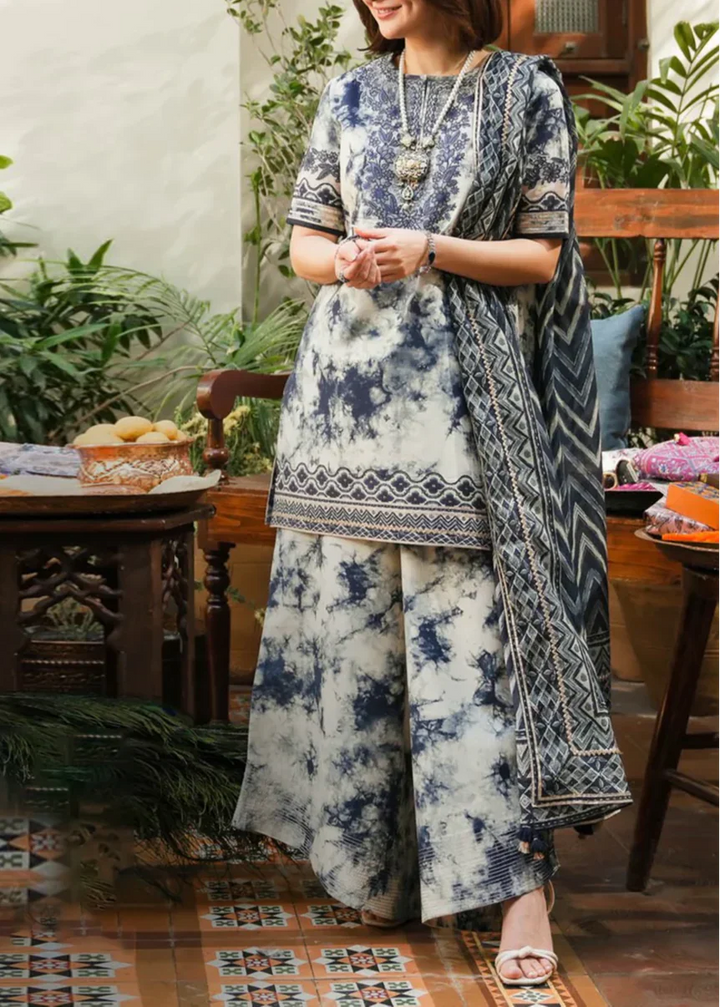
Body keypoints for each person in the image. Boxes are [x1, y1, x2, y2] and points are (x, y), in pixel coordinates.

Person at [234, 0, 632, 987]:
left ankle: (521, 888)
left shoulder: (524, 90)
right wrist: (347, 260)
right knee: (356, 636)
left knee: (479, 656)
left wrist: (429, 248)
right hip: (343, 409)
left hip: (467, 406)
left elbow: (543, 254)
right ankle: (379, 868)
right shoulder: (351, 93)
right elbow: (306, 245)